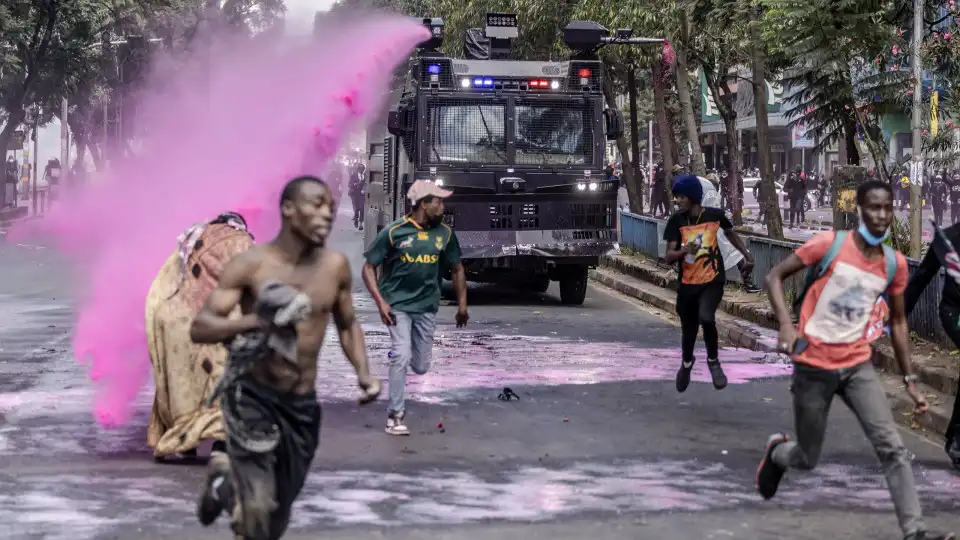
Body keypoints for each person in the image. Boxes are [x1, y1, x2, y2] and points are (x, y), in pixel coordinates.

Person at [756, 180, 955, 540]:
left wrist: (910, 380)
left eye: (887, 209)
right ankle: (777, 454)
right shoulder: (829, 245)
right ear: (860, 210)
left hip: (856, 367)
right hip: (814, 365)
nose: (881, 215)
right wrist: (786, 326)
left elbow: (897, 321)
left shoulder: (893, 264)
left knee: (892, 447)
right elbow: (774, 276)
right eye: (874, 208)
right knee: (807, 456)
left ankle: (915, 531)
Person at [191, 175, 382, 540]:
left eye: (329, 204)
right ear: (288, 210)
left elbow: (347, 324)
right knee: (258, 515)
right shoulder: (251, 265)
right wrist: (256, 322)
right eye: (316, 204)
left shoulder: (335, 267)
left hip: (301, 406)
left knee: (276, 519)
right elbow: (201, 326)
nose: (327, 213)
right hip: (253, 397)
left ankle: (226, 483)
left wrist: (363, 372)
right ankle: (242, 496)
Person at [362, 179, 469, 436]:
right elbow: (368, 267)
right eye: (438, 201)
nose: (442, 207)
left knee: (420, 366)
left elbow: (457, 268)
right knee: (400, 354)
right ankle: (395, 415)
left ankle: (402, 355)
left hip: (426, 306)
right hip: (396, 304)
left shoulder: (444, 234)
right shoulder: (393, 231)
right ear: (423, 204)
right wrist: (381, 303)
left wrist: (462, 306)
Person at [146, 211, 255, 461]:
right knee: (220, 380)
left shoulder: (191, 239)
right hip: (211, 321)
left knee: (182, 385)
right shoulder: (241, 241)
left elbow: (163, 285)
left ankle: (184, 442)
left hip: (174, 318)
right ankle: (221, 441)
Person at [663, 173, 754, 394]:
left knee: (707, 317)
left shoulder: (714, 216)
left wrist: (746, 256)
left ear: (693, 197)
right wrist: (684, 251)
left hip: (713, 279)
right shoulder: (677, 221)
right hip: (687, 283)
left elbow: (730, 234)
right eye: (676, 197)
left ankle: (713, 361)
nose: (678, 201)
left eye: (682, 197)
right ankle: (686, 364)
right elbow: (668, 256)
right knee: (689, 330)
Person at [904, 222, 960, 470]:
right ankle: (958, 438)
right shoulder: (946, 240)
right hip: (954, 312)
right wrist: (897, 318)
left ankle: (956, 435)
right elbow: (921, 278)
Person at [349, 163, 366, 230]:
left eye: (363, 169)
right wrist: (355, 184)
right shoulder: (354, 175)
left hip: (362, 194)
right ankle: (356, 219)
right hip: (355, 194)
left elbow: (366, 184)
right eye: (361, 169)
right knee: (356, 209)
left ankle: (361, 224)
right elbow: (349, 184)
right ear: (358, 169)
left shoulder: (365, 176)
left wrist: (364, 189)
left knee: (362, 209)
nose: (362, 171)